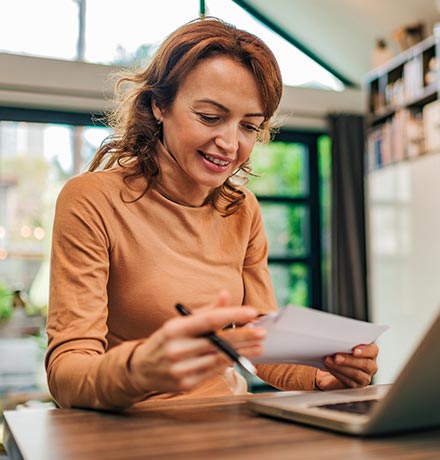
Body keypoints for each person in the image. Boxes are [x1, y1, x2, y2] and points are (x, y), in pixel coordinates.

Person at [45, 17, 378, 410]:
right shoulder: (91, 200)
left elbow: (260, 344)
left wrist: (321, 375)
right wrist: (139, 369)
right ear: (158, 105)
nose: (229, 143)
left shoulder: (242, 211)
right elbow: (66, 373)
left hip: (226, 421)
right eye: (209, 117)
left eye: (249, 126)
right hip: (129, 430)